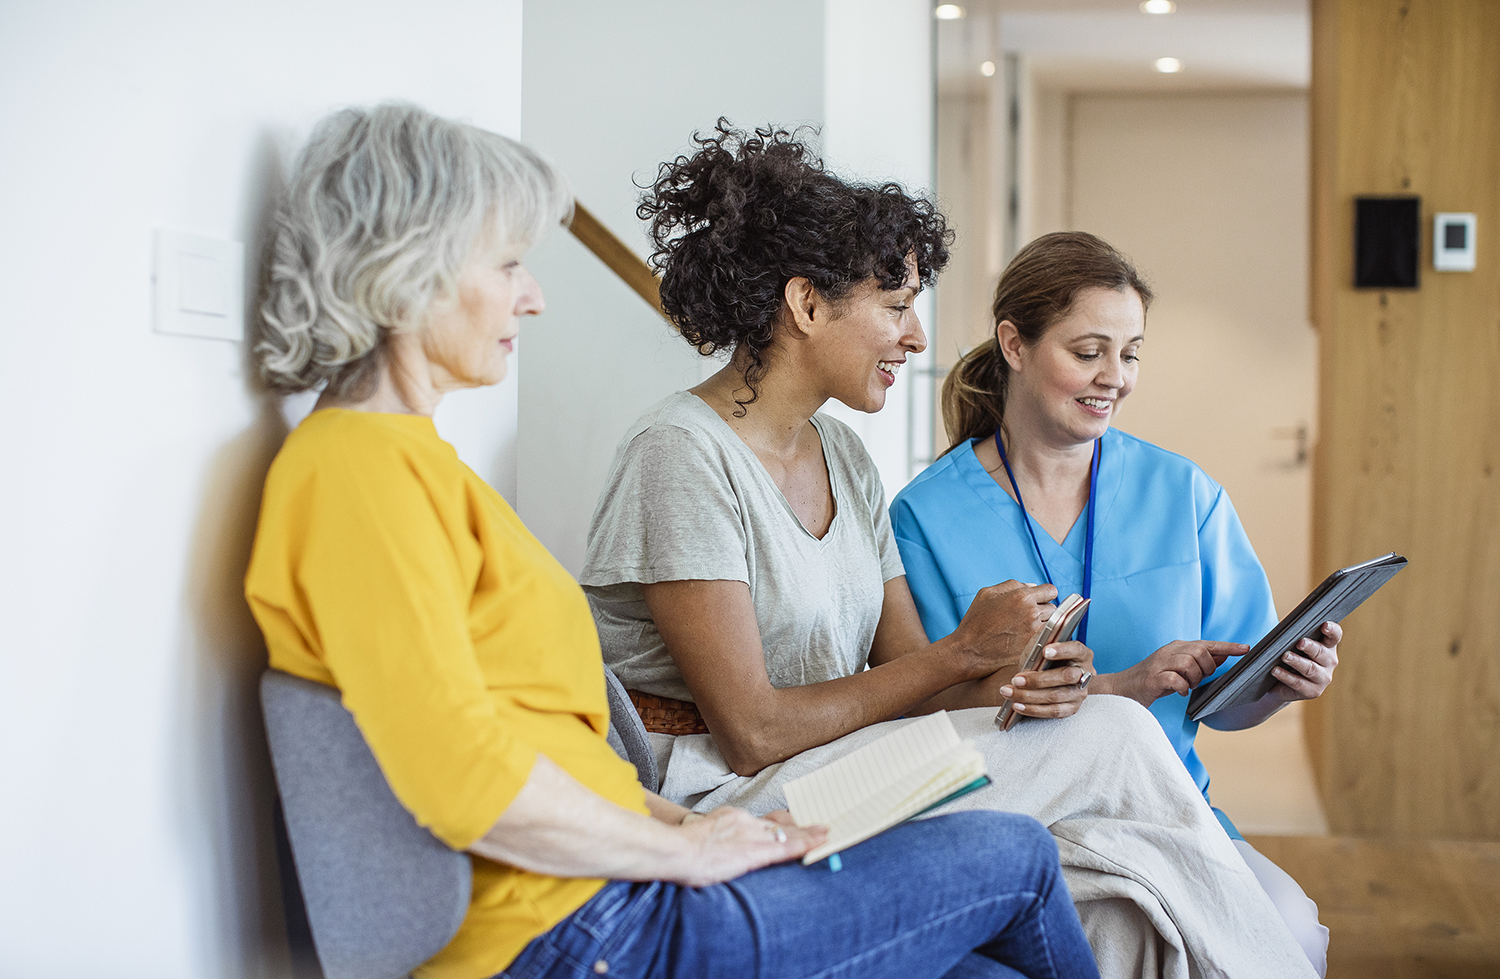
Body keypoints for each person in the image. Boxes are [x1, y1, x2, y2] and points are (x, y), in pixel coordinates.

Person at [243, 103, 1103, 979]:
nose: (532, 295)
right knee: (1019, 856)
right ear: (407, 269)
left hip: (612, 892)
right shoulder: (353, 470)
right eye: (506, 264)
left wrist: (706, 830)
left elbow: (551, 751)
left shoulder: (420, 467)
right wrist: (685, 855)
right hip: (575, 932)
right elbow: (463, 776)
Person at [581, 122, 1317, 979]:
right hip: (726, 798)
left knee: (1121, 893)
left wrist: (1028, 680)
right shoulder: (680, 455)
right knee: (1115, 742)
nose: (919, 337)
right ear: (807, 305)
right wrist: (968, 649)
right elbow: (752, 731)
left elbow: (917, 681)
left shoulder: (845, 460)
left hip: (840, 766)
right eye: (896, 306)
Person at [889, 230, 1337, 976]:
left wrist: (1282, 685)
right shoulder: (923, 516)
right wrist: (1116, 688)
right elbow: (931, 712)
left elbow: (1224, 700)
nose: (1115, 377)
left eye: (1130, 353)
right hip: (1020, 823)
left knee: (1292, 930)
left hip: (1168, 815)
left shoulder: (1184, 494)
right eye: (1089, 351)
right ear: (1015, 343)